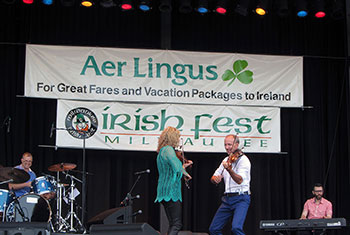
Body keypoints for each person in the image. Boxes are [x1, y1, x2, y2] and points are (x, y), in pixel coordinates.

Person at [209, 134, 251, 235]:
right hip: (227, 199)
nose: (227, 147)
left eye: (229, 144)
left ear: (236, 145)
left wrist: (229, 170)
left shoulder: (243, 160)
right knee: (213, 229)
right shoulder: (225, 160)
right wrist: (215, 179)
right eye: (225, 145)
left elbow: (239, 180)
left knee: (236, 228)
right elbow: (214, 176)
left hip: (241, 197)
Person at [154, 126, 193, 235]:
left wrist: (183, 168)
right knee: (176, 224)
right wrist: (186, 173)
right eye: (177, 137)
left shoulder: (161, 152)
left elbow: (172, 169)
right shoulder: (169, 150)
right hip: (171, 191)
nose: (178, 140)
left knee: (172, 223)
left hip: (163, 191)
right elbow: (176, 167)